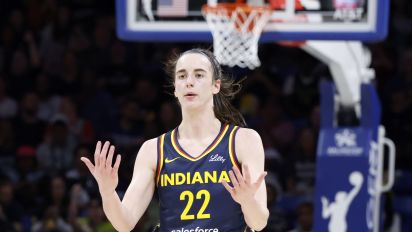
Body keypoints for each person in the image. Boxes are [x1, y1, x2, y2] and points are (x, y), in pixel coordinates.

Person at [80, 48, 269, 231]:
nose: (189, 82)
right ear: (175, 89)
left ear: (215, 85)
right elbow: (124, 224)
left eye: (199, 75)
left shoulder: (244, 140)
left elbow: (259, 222)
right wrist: (107, 192)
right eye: (182, 76)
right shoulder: (153, 149)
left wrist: (247, 201)